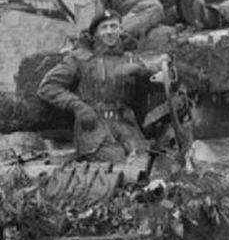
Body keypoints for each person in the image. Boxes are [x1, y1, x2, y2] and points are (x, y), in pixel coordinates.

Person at [38, 9, 153, 164]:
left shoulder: (132, 59)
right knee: (117, 162)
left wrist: (144, 74)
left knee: (145, 162)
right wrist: (78, 106)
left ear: (120, 30)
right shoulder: (80, 58)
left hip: (126, 125)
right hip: (94, 129)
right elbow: (48, 86)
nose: (110, 32)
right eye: (104, 28)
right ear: (95, 34)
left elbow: (148, 92)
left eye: (114, 27)